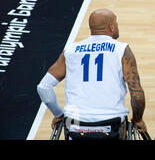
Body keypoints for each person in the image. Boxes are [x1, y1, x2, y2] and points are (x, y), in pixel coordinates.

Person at [37, 9, 147, 140]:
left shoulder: (71, 51)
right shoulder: (121, 50)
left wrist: (59, 114)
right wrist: (138, 119)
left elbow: (44, 88)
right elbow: (137, 96)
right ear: (111, 27)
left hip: (74, 125)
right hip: (111, 125)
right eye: (116, 23)